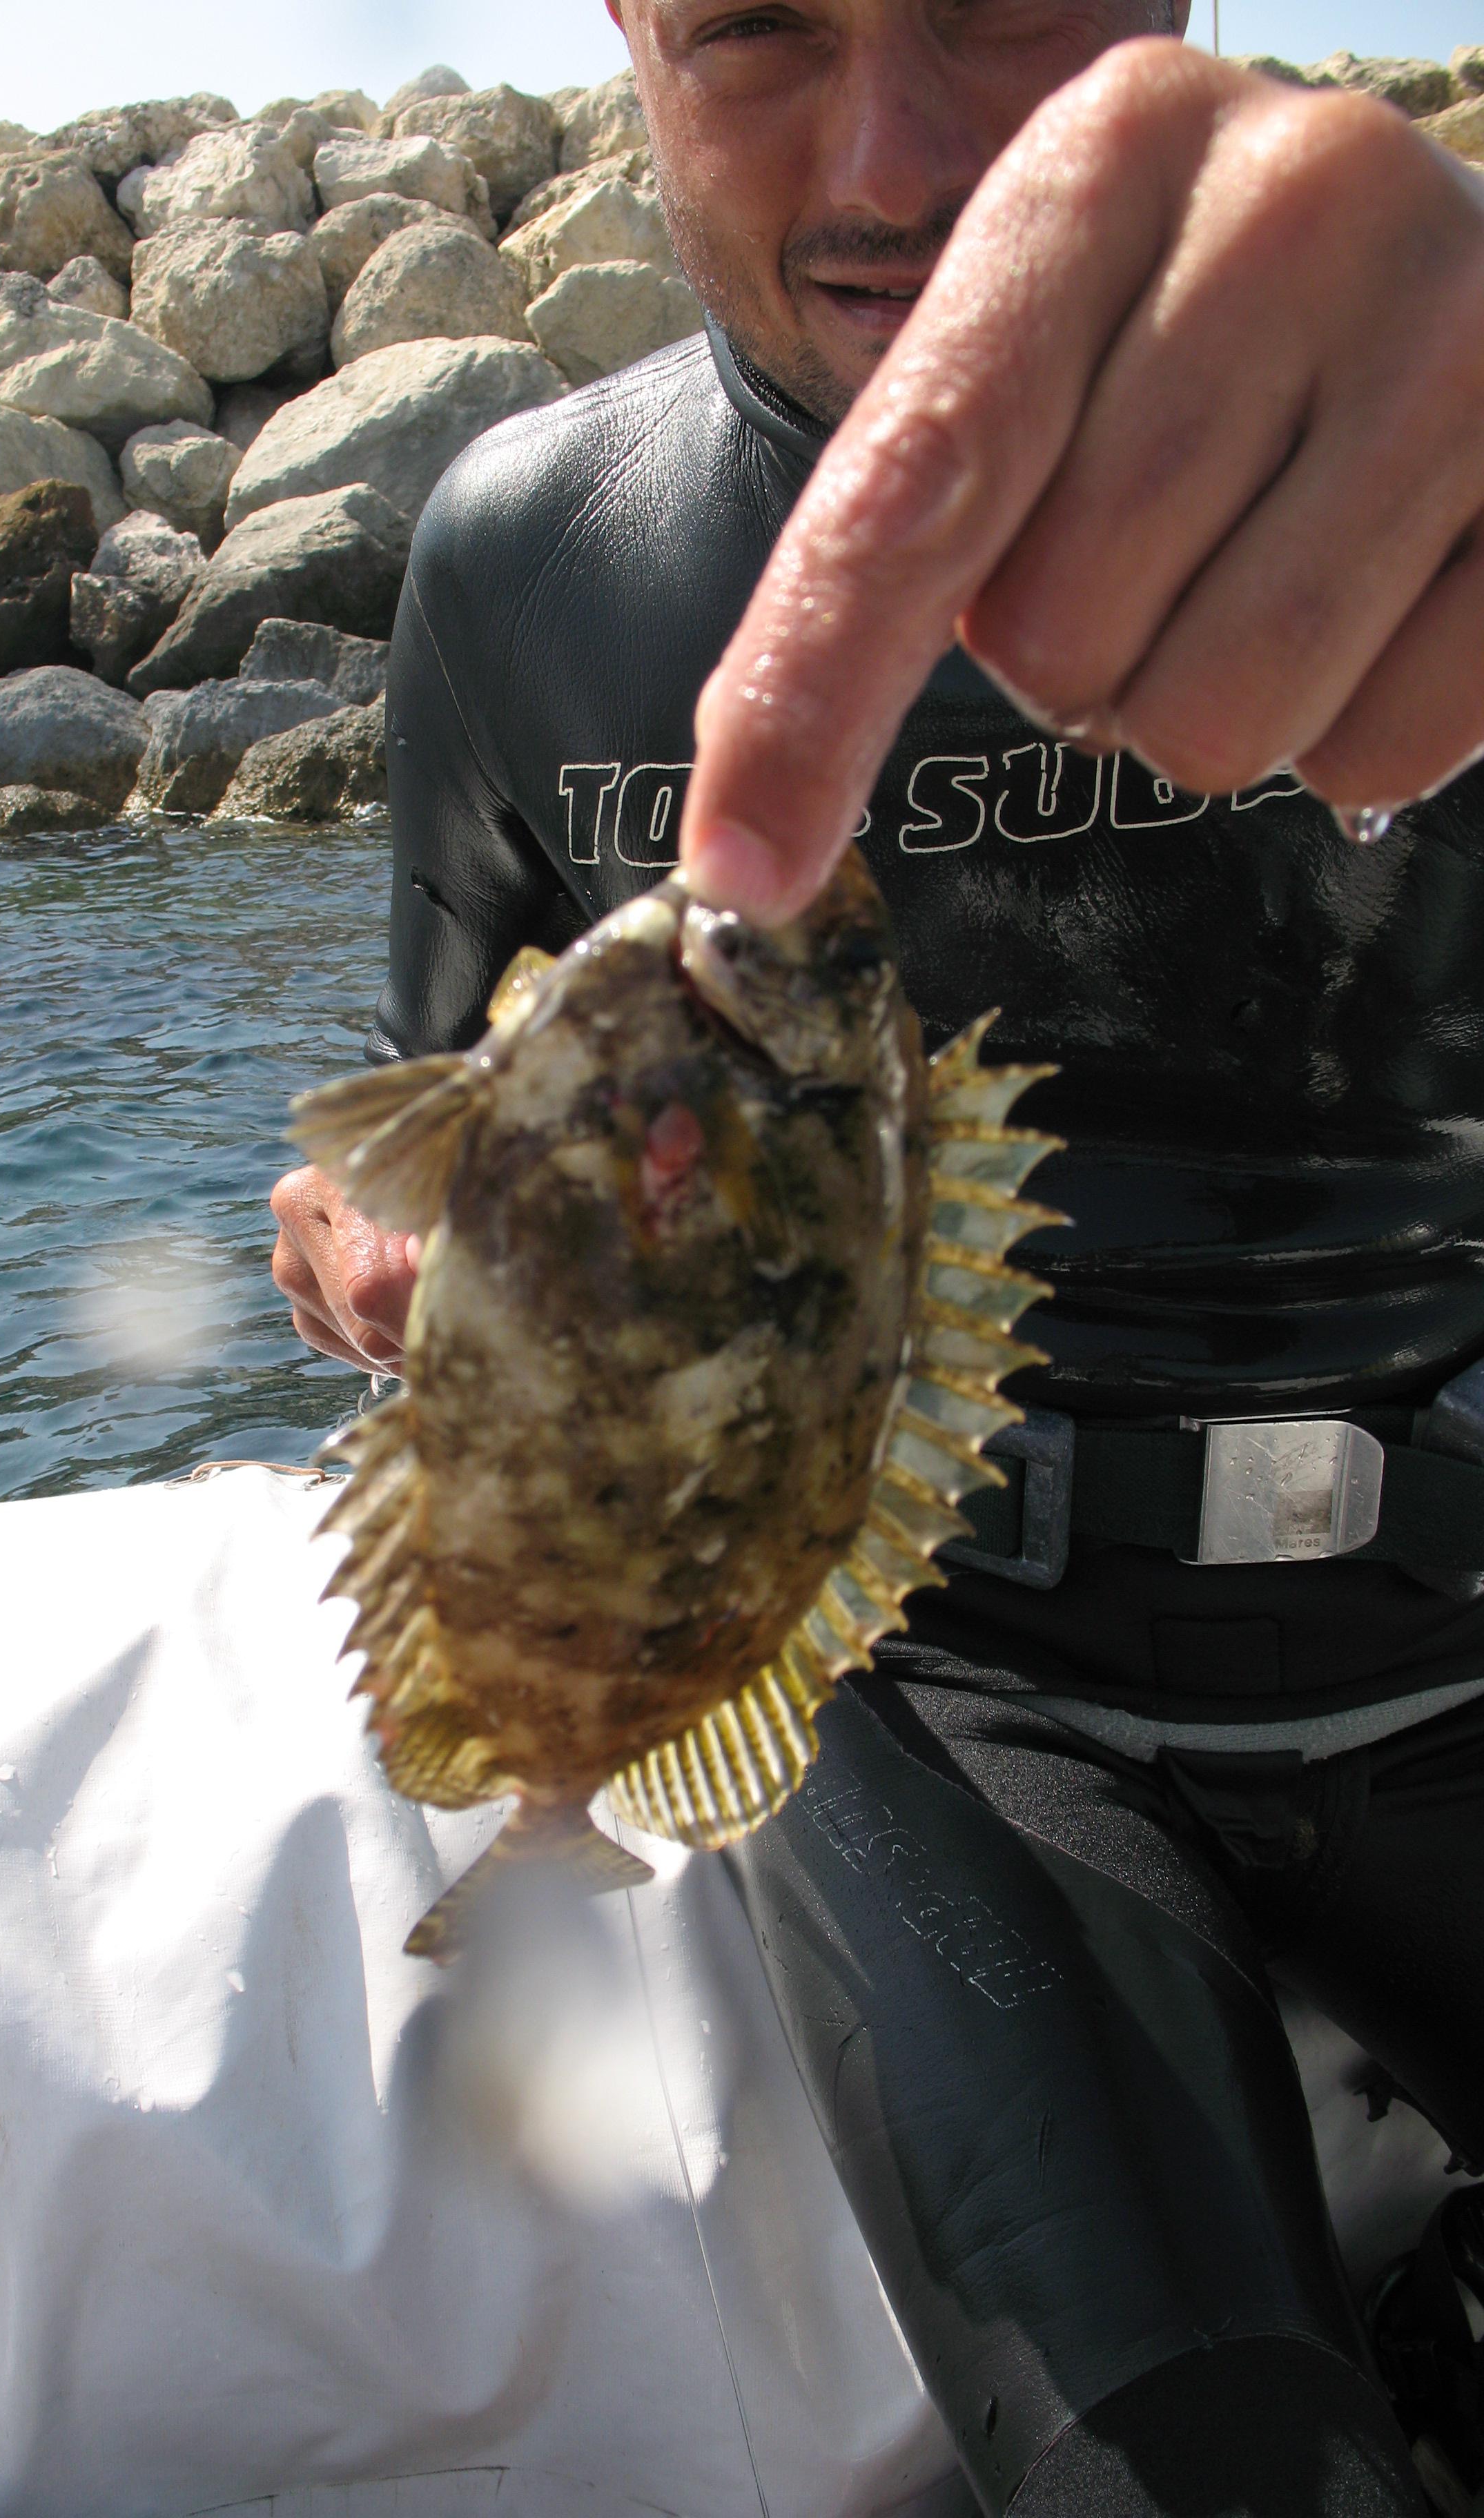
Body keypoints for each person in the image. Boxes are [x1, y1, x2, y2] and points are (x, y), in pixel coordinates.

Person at [273, 6, 1484, 2511]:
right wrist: (376, 1250)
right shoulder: (519, 558)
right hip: (918, 1673)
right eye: (756, 26)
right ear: (627, 29)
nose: (893, 155)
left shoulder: (1419, 412)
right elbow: (411, 1107)